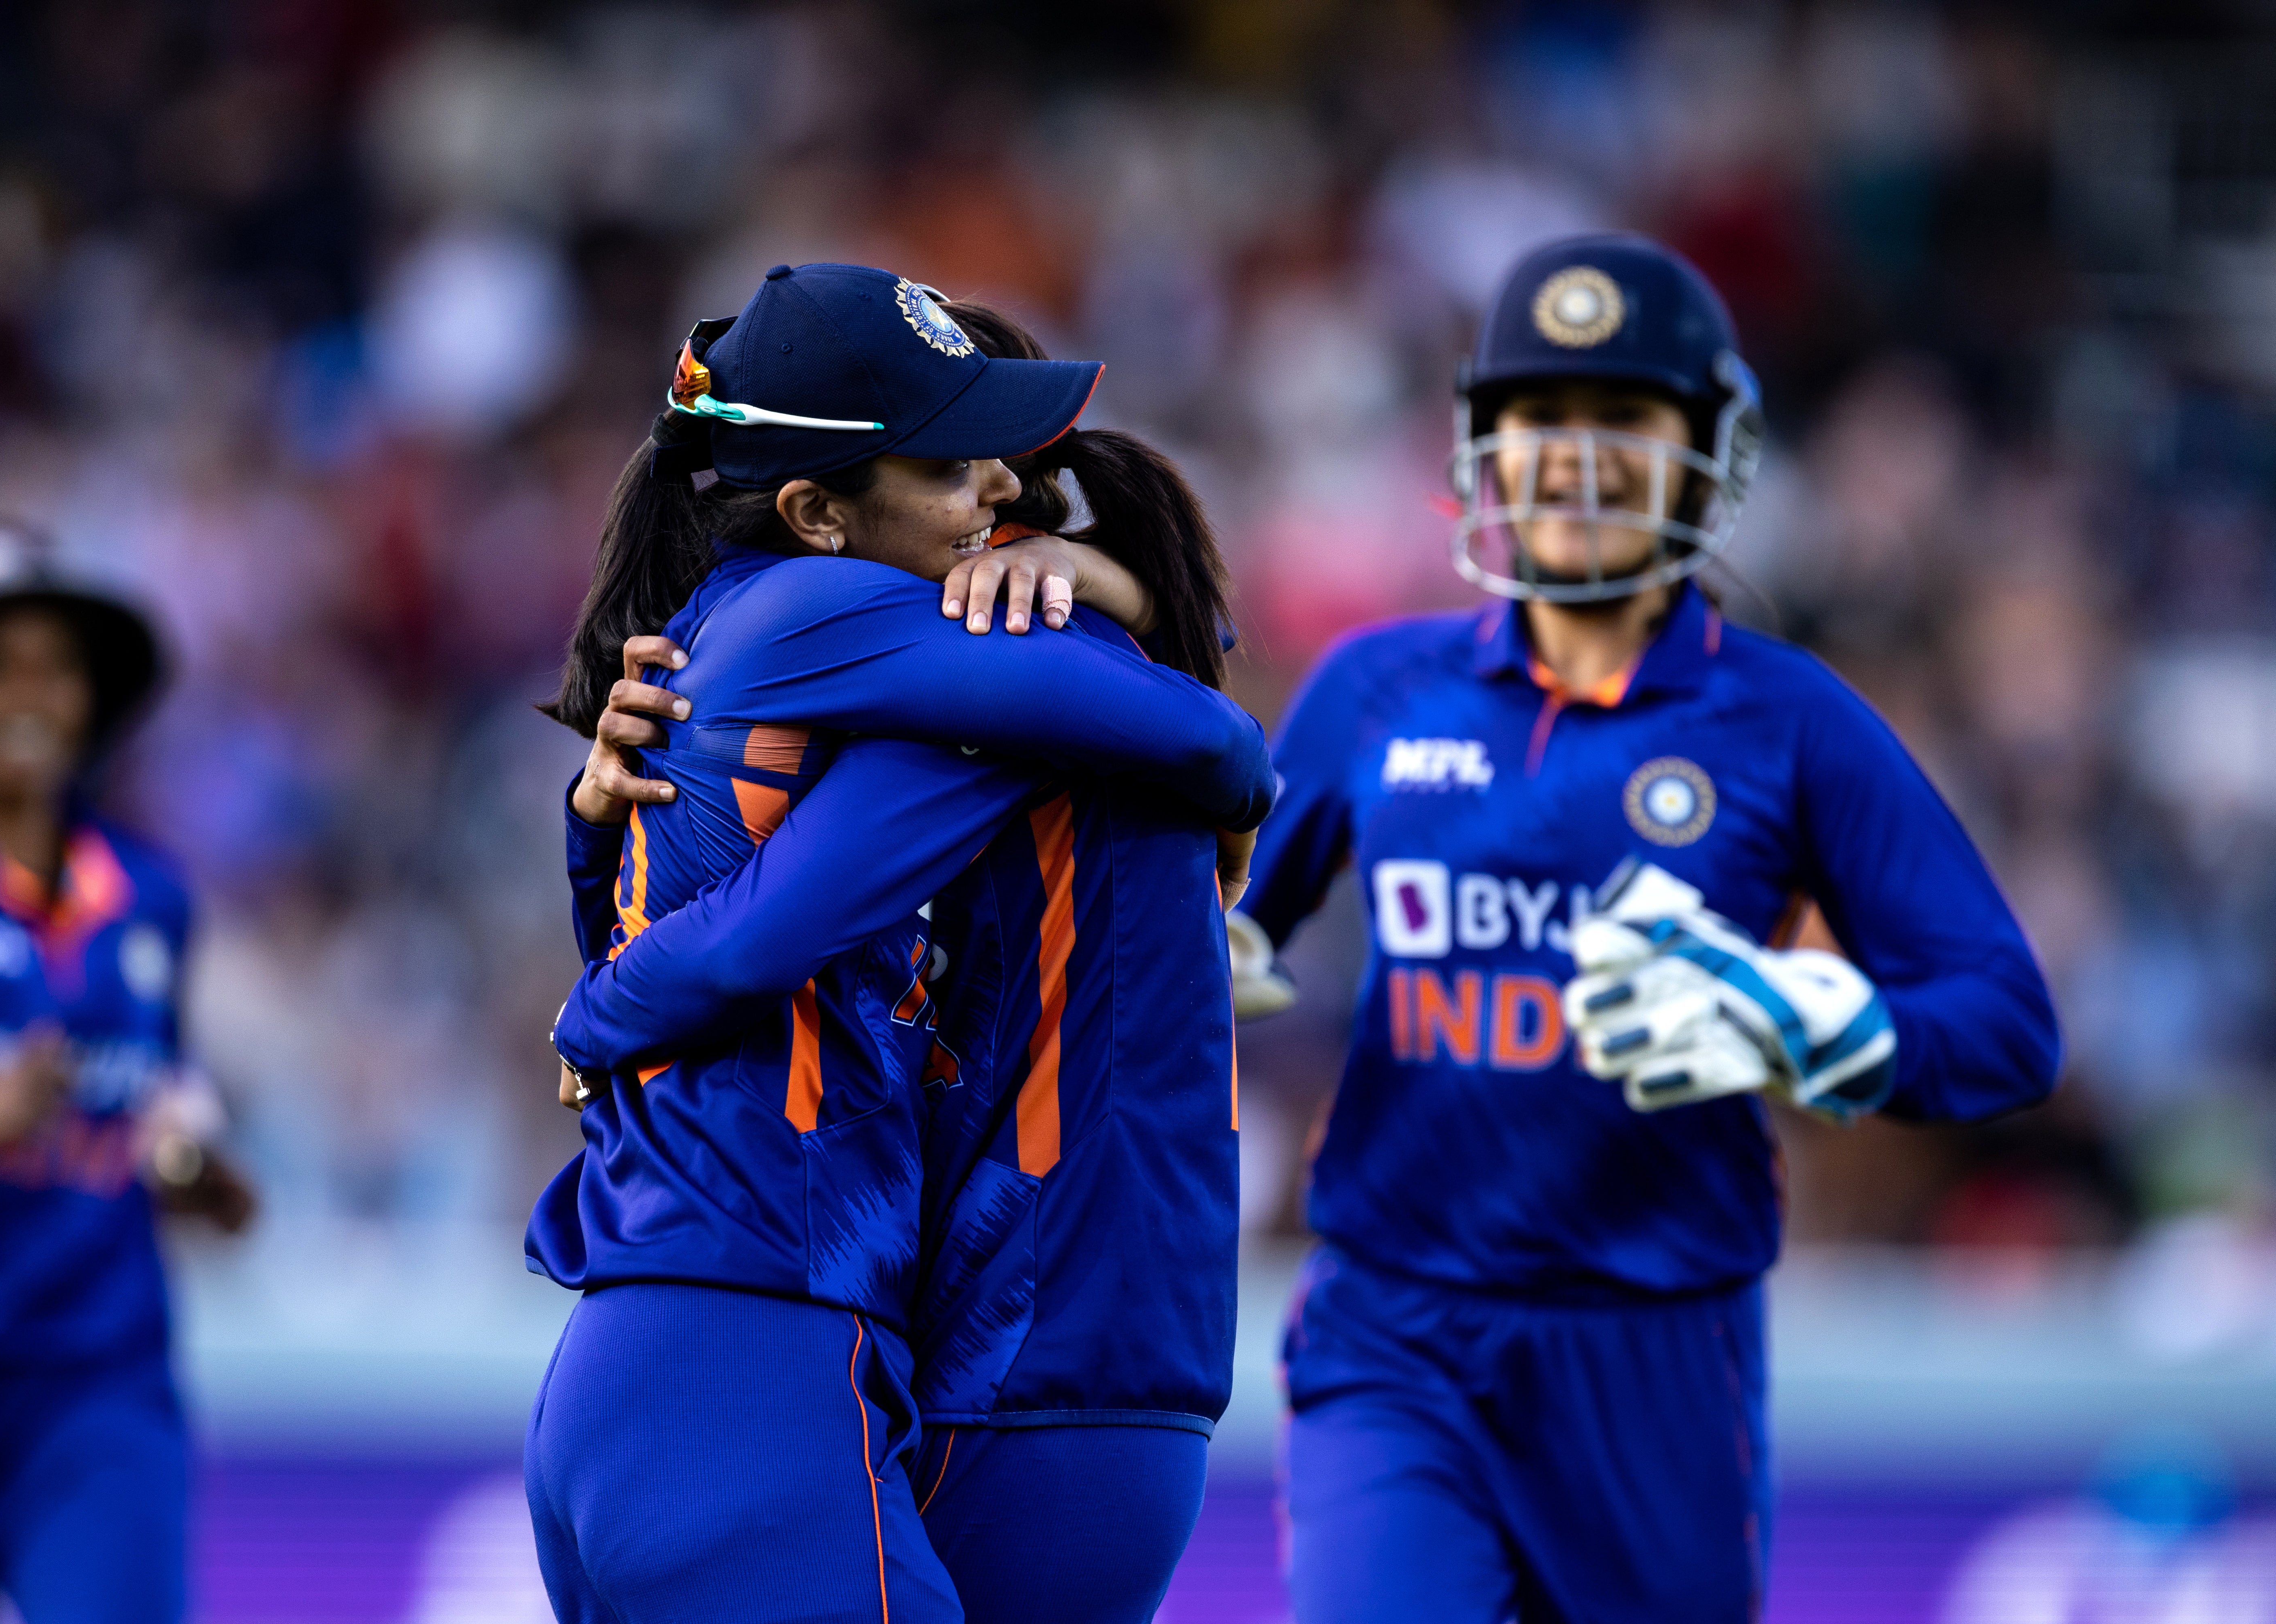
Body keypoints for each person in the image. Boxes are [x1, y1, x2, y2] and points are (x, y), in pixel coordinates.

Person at [1233, 233, 2062, 1623]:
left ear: (1710, 450)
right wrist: (1200, 956)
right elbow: (1221, 930)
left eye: (1625, 418)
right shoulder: (1376, 688)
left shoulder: (1791, 720)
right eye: (1541, 419)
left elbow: (2004, 1024)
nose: (1577, 459)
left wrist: (1820, 1031)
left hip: (1658, 1348)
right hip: (1396, 1326)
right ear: (1481, 450)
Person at [523, 263, 1270, 1624]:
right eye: (947, 463)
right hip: (785, 1350)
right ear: (817, 512)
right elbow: (1216, 738)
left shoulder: (741, 643)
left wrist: (1114, 585)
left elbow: (676, 903)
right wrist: (1120, 596)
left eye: (999, 463)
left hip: (689, 1344)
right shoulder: (873, 634)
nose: (988, 493)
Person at [0, 519, 254, 1624]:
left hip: (97, 1375)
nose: (28, 697)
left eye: (55, 668)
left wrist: (197, 1170)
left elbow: (163, 1091)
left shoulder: (153, 896)